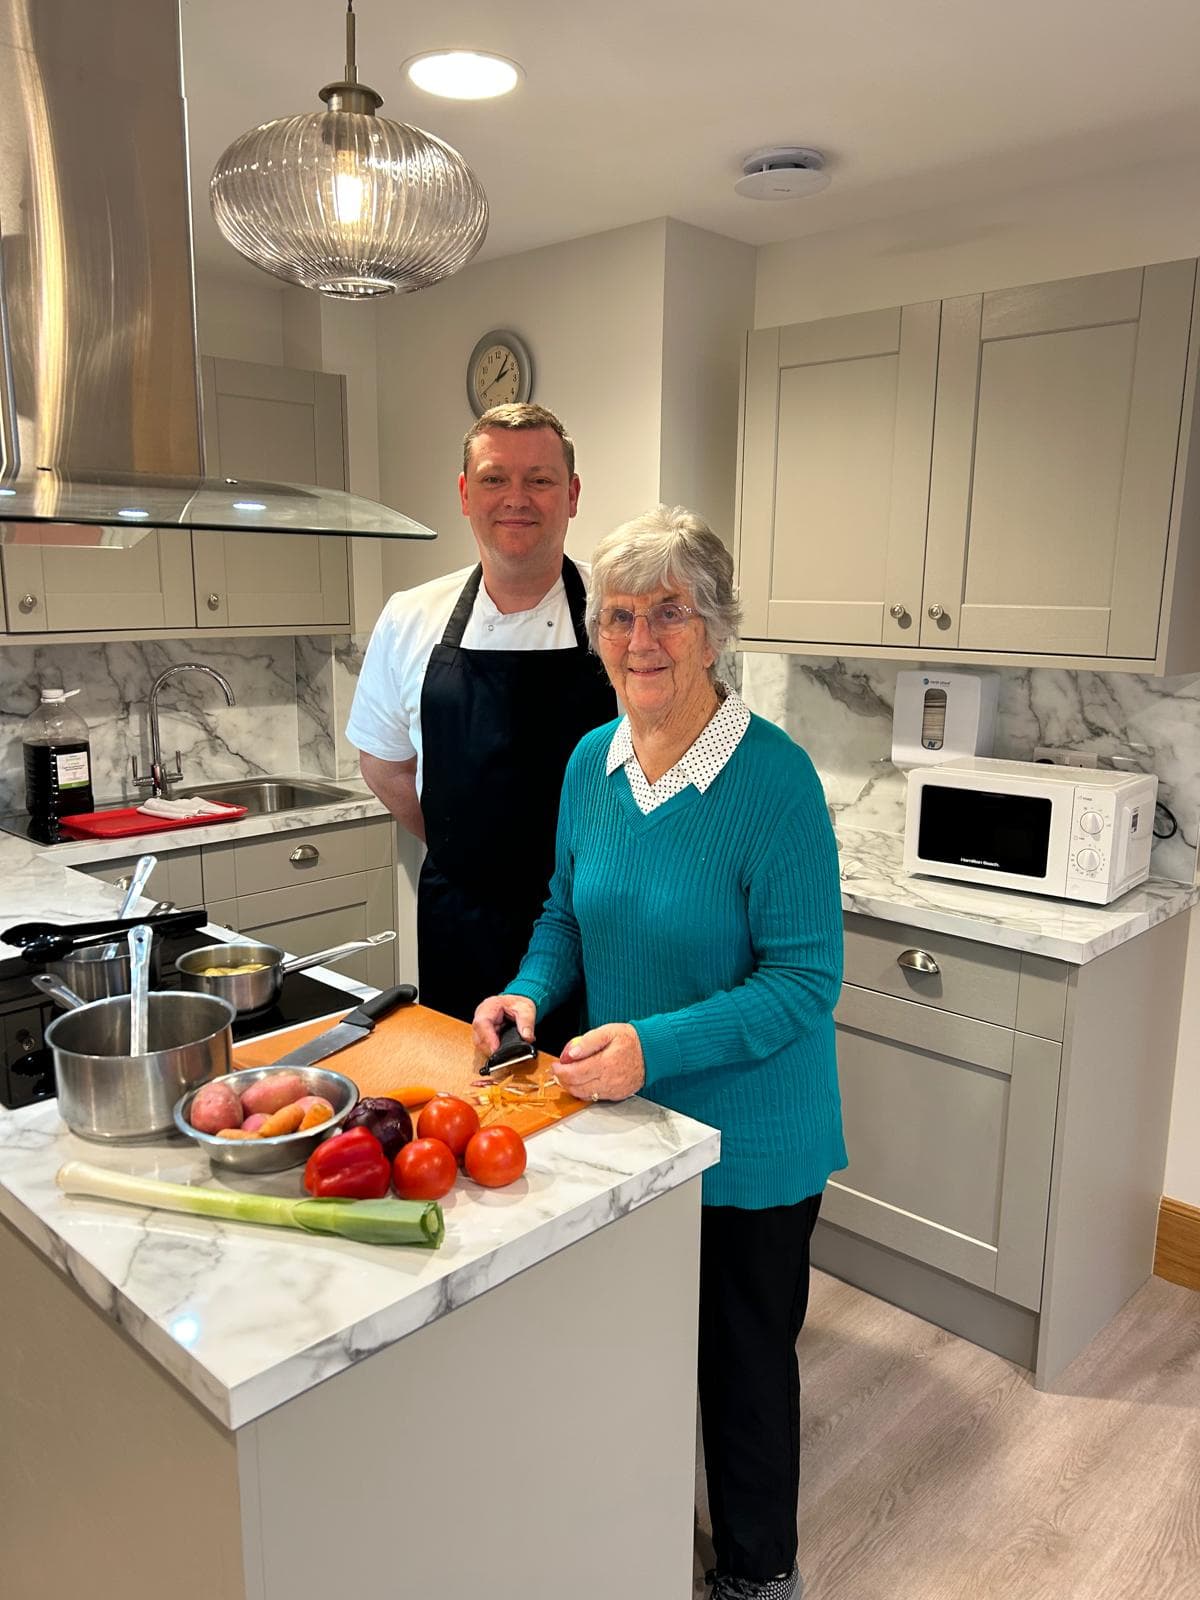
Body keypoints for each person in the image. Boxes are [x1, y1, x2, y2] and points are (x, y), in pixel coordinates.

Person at [472, 505, 846, 1600]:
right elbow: (565, 916)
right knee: (635, 1346)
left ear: (715, 629)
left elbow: (802, 983)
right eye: (621, 615)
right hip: (629, 1123)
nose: (642, 638)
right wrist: (527, 997)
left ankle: (756, 1572)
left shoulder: (775, 783)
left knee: (742, 1370)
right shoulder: (592, 762)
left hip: (754, 1139)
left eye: (669, 613)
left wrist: (653, 1044)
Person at [346, 403, 616, 1049]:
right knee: (468, 1102)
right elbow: (384, 766)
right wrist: (461, 846)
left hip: (597, 918)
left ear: (572, 495)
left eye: (540, 480)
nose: (516, 498)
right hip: (462, 919)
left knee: (591, 1104)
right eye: (495, 479)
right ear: (466, 494)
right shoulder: (412, 615)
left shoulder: (621, 612)